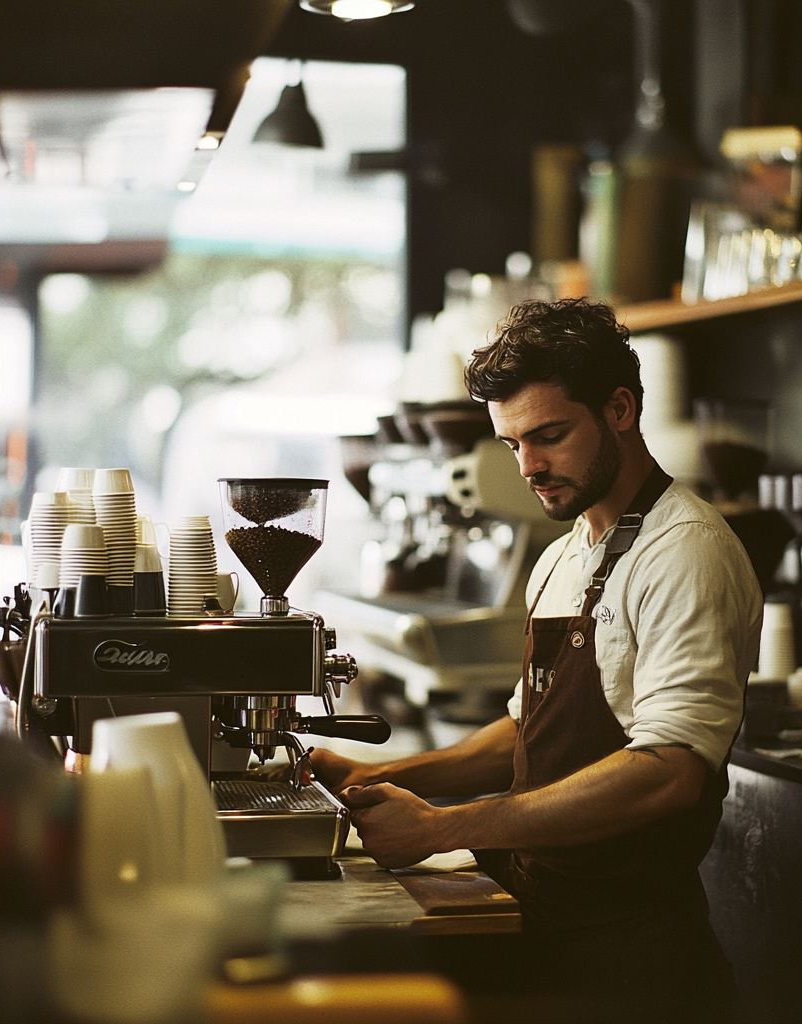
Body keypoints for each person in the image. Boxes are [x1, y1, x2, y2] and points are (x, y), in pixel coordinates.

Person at [311, 298, 762, 1020]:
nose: (529, 466)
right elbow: (528, 733)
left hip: (636, 958)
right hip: (546, 923)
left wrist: (440, 828)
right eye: (512, 444)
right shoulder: (561, 557)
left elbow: (669, 774)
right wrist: (377, 776)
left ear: (620, 408)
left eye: (549, 436)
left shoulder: (687, 553)